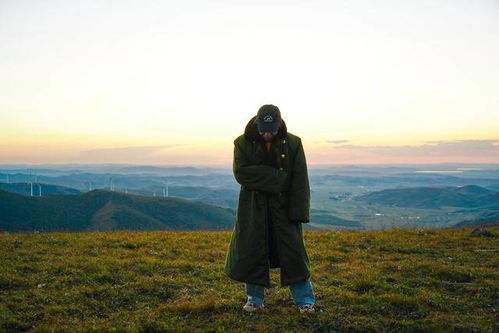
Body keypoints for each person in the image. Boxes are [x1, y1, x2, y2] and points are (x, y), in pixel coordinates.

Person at [224, 104, 316, 314]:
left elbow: (300, 178)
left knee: (294, 255)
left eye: (272, 130)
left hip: (284, 209)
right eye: (264, 130)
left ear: (278, 125)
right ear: (257, 124)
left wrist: (300, 212)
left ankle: (305, 301)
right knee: (253, 252)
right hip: (253, 209)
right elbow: (242, 173)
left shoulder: (293, 143)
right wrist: (278, 177)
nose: (267, 134)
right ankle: (254, 300)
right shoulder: (241, 143)